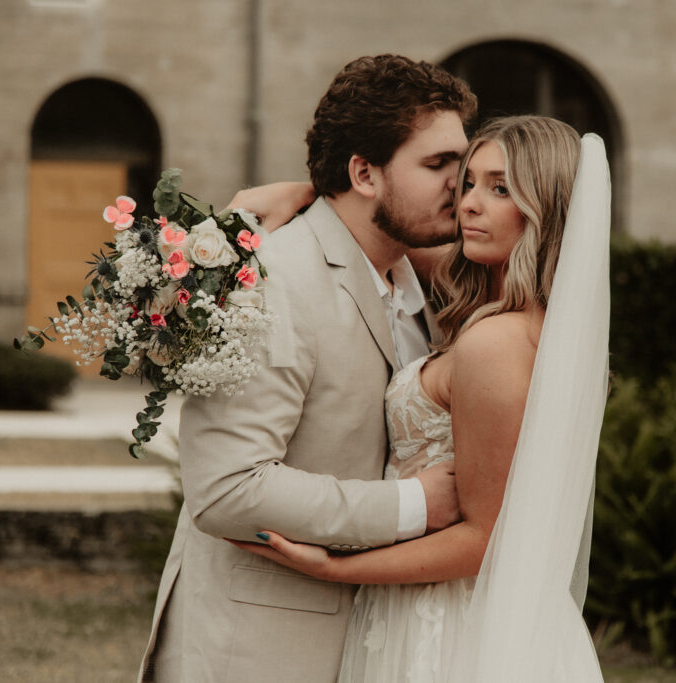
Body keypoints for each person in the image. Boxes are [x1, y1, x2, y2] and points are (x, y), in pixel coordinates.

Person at [232, 116, 612, 682]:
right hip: (470, 608)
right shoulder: (523, 315)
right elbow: (374, 232)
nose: (470, 205)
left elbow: (483, 539)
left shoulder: (495, 342)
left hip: (447, 623)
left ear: (546, 209)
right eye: (468, 183)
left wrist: (337, 568)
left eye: (502, 188)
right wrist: (313, 192)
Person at [137, 55, 478, 682]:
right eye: (438, 166)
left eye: (465, 163)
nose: (464, 186)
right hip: (258, 652)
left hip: (375, 643)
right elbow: (228, 487)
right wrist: (411, 507)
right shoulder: (273, 278)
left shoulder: (418, 280)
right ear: (364, 173)